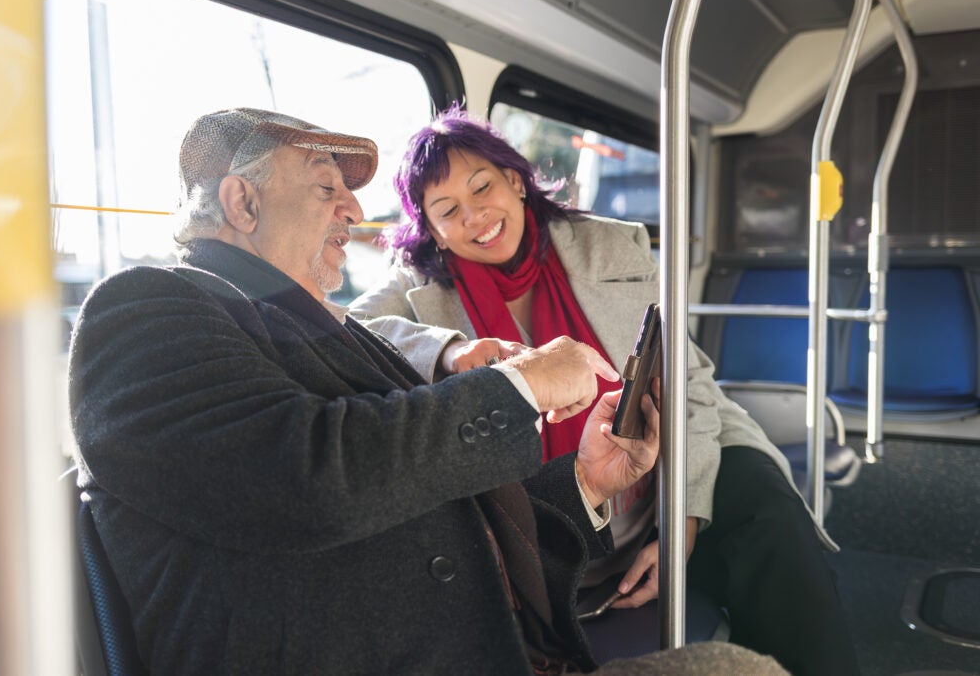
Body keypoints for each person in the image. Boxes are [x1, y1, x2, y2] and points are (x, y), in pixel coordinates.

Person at [68, 107, 788, 675]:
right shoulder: (146, 310)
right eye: (327, 186)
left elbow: (439, 504)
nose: (353, 211)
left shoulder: (331, 330)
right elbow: (312, 478)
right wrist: (521, 383)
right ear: (241, 202)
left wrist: (585, 480)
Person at [347, 107, 860, 676]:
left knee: (767, 509)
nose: (476, 216)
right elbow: (349, 327)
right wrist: (448, 352)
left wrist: (682, 523)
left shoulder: (613, 246)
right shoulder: (417, 287)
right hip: (547, 503)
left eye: (483, 187)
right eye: (448, 211)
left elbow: (686, 383)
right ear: (433, 230)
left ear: (515, 181)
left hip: (665, 470)